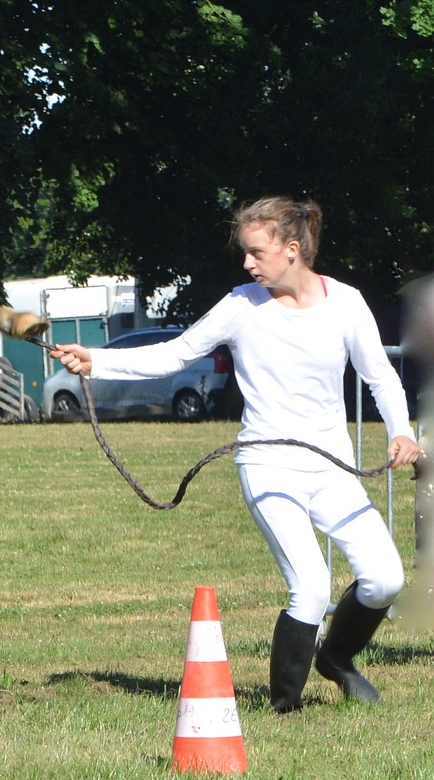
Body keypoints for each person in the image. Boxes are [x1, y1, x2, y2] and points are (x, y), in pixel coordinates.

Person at [51, 197, 422, 712]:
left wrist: (401, 432)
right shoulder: (240, 305)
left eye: (256, 252)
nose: (247, 263)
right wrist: (96, 361)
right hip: (268, 467)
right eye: (245, 253)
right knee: (311, 588)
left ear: (292, 250)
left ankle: (336, 659)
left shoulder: (346, 302)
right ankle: (285, 710)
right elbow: (177, 353)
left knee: (386, 578)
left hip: (332, 466)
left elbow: (380, 375)